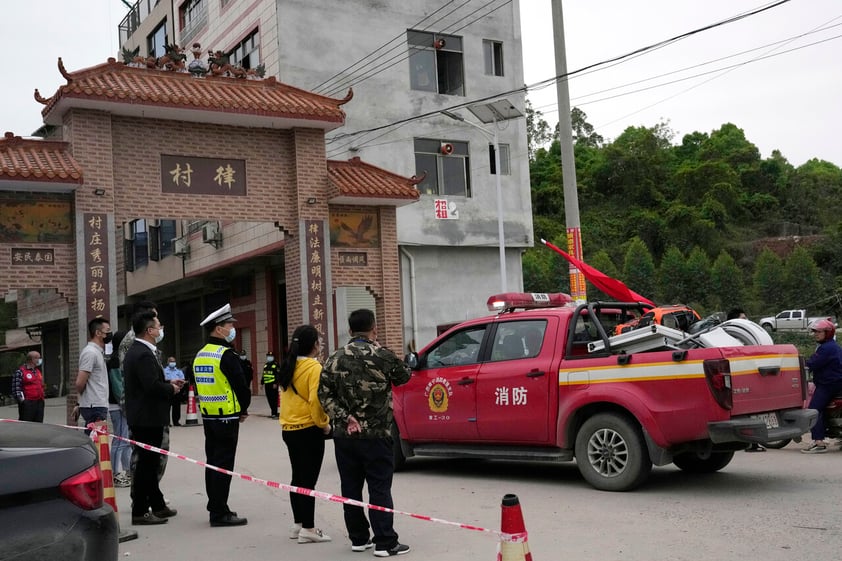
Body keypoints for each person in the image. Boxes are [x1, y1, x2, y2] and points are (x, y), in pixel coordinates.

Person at [319, 309, 412, 557]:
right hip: (377, 435)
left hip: (344, 436)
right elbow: (405, 377)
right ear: (374, 328)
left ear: (349, 331)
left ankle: (358, 538)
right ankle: (385, 541)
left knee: (350, 487)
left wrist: (343, 416)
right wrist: (382, 350)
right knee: (379, 487)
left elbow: (323, 395)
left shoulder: (334, 358)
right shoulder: (382, 355)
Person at [193, 303, 251, 527]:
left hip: (209, 418)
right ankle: (219, 513)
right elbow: (240, 385)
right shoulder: (225, 354)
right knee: (224, 465)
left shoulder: (201, 354)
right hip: (227, 417)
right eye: (229, 325)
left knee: (213, 463)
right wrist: (243, 409)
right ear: (219, 329)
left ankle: (216, 506)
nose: (232, 329)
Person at [124, 311, 183, 525]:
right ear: (149, 331)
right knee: (147, 466)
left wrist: (168, 384)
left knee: (149, 463)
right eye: (158, 326)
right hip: (146, 419)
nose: (161, 330)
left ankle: (157, 504)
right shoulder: (141, 353)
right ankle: (140, 510)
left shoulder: (143, 351)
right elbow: (150, 387)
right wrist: (171, 389)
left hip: (147, 417)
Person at [278, 325, 332, 544]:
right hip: (309, 430)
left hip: (289, 429)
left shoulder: (288, 365)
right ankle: (309, 529)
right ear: (314, 345)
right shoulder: (314, 368)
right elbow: (316, 402)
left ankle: (298, 524)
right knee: (308, 481)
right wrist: (325, 425)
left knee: (297, 478)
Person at [727, 308, 766, 452]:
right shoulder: (729, 338)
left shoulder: (746, 337)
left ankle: (754, 442)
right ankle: (750, 442)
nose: (746, 321)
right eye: (743, 318)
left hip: (748, 377)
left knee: (753, 410)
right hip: (738, 379)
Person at [801, 318, 842, 454]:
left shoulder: (826, 348)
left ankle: (818, 442)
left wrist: (801, 364)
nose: (816, 334)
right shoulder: (832, 346)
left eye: (819, 332)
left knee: (814, 410)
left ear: (828, 333)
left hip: (828, 384)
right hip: (835, 383)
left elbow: (812, 363)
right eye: (815, 332)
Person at [107, 330, 132, 487]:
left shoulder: (121, 358)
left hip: (122, 404)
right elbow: (118, 387)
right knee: (120, 439)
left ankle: (128, 470)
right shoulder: (115, 360)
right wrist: (125, 405)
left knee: (126, 440)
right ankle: (115, 474)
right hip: (118, 406)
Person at [77, 317, 112, 429]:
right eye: (107, 330)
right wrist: (82, 401)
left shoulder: (98, 352)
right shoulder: (90, 353)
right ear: (98, 333)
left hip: (98, 404)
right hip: (94, 406)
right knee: (95, 440)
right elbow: (80, 383)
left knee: (100, 441)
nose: (109, 334)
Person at [12, 350, 45, 422]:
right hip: (28, 403)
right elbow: (16, 389)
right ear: (32, 359)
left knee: (38, 424)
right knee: (27, 425)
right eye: (38, 358)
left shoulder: (37, 371)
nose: (40, 360)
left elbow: (41, 385)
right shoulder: (20, 371)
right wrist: (23, 401)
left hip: (39, 402)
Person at [163, 356, 185, 426]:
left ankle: (176, 421)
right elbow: (163, 380)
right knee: (167, 407)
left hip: (177, 390)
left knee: (177, 407)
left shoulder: (179, 371)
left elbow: (183, 379)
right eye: (171, 361)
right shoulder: (164, 371)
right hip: (168, 390)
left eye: (174, 361)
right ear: (168, 362)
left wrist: (181, 383)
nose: (173, 363)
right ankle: (167, 422)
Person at [261, 351, 280, 419]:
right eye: (268, 356)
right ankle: (273, 412)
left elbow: (278, 375)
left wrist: (275, 383)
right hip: (267, 385)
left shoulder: (275, 365)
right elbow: (264, 374)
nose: (269, 357)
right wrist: (262, 383)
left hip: (273, 385)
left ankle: (274, 413)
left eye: (270, 356)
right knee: (269, 399)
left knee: (274, 399)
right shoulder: (266, 365)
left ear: (273, 357)